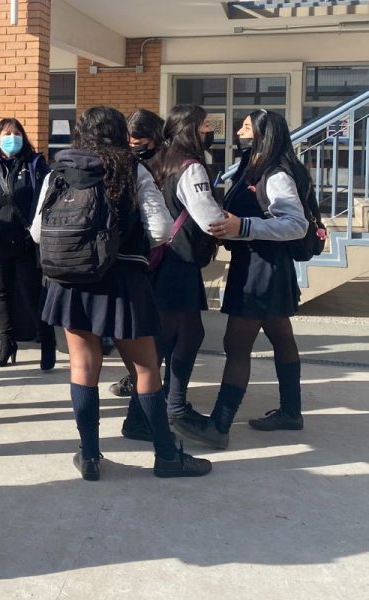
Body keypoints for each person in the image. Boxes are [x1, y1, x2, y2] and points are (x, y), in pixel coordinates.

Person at [32, 106, 211, 481]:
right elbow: (161, 229)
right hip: (123, 282)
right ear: (117, 132)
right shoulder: (131, 168)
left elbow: (37, 231)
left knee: (82, 366)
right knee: (145, 366)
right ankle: (166, 455)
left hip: (71, 282)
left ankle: (91, 456)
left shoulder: (59, 170)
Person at [173, 110, 308, 449]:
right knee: (281, 337)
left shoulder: (275, 174)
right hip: (257, 264)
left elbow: (296, 224)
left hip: (262, 269)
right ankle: (291, 412)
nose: (238, 132)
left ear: (264, 134)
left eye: (246, 127)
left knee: (236, 347)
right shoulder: (253, 168)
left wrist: (242, 228)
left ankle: (219, 426)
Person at [149, 105, 225, 432]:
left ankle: (168, 403)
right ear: (190, 129)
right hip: (179, 262)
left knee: (186, 333)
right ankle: (164, 408)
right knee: (173, 337)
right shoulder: (191, 168)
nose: (211, 130)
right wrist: (242, 225)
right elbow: (210, 219)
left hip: (163, 258)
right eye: (206, 124)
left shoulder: (160, 161)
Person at [117, 109, 174, 441]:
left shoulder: (164, 166)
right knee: (152, 348)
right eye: (130, 139)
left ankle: (157, 407)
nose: (133, 144)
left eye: (139, 139)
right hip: (149, 262)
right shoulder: (137, 168)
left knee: (160, 343)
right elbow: (159, 227)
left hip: (154, 259)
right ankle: (146, 417)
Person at [0, 117, 55, 370]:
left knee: (32, 293)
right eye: (6, 134)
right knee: (1, 294)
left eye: (16, 133)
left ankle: (47, 342)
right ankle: (7, 343)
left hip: (27, 240)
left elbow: (47, 198)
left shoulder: (35, 164)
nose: (11, 138)